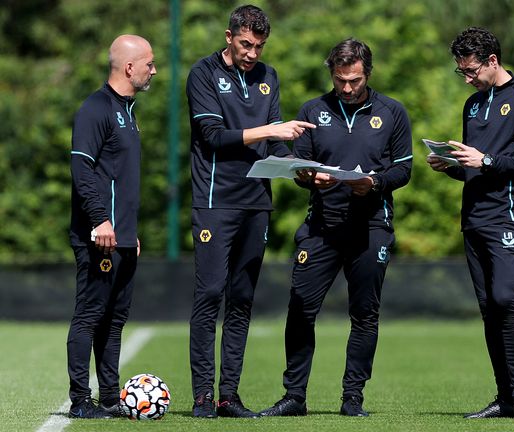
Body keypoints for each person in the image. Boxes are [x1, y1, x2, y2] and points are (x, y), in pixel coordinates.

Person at [256, 38, 412, 418]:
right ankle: (294, 396)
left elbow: (403, 169)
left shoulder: (392, 112)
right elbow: (297, 166)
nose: (346, 88)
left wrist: (373, 183)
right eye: (340, 80)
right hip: (322, 227)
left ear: (367, 74)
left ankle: (353, 398)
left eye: (354, 81)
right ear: (332, 74)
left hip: (372, 225)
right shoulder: (313, 109)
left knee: (364, 314)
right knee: (300, 307)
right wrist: (310, 177)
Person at [186, 5, 315, 419]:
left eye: (259, 46)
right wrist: (271, 131)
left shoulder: (269, 77)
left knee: (241, 300)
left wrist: (300, 168)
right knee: (209, 295)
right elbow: (213, 137)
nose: (252, 53)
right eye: (245, 44)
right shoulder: (203, 74)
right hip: (215, 201)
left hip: (257, 203)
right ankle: (203, 396)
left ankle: (228, 396)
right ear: (229, 37)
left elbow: (275, 143)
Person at [427, 27, 514, 420]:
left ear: (492, 61)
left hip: (510, 216)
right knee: (488, 309)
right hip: (474, 219)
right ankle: (505, 398)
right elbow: (474, 169)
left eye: (471, 70)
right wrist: (451, 166)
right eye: (460, 71)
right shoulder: (473, 105)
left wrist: (487, 160)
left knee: (505, 300)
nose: (467, 78)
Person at [67, 34, 156, 419]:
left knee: (115, 319)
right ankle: (80, 401)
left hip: (122, 238)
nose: (154, 69)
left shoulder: (128, 111)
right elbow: (82, 170)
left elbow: (120, 178)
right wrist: (101, 220)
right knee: (90, 315)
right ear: (129, 67)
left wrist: (130, 233)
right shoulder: (96, 108)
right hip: (99, 236)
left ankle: (108, 398)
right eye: (149, 63)